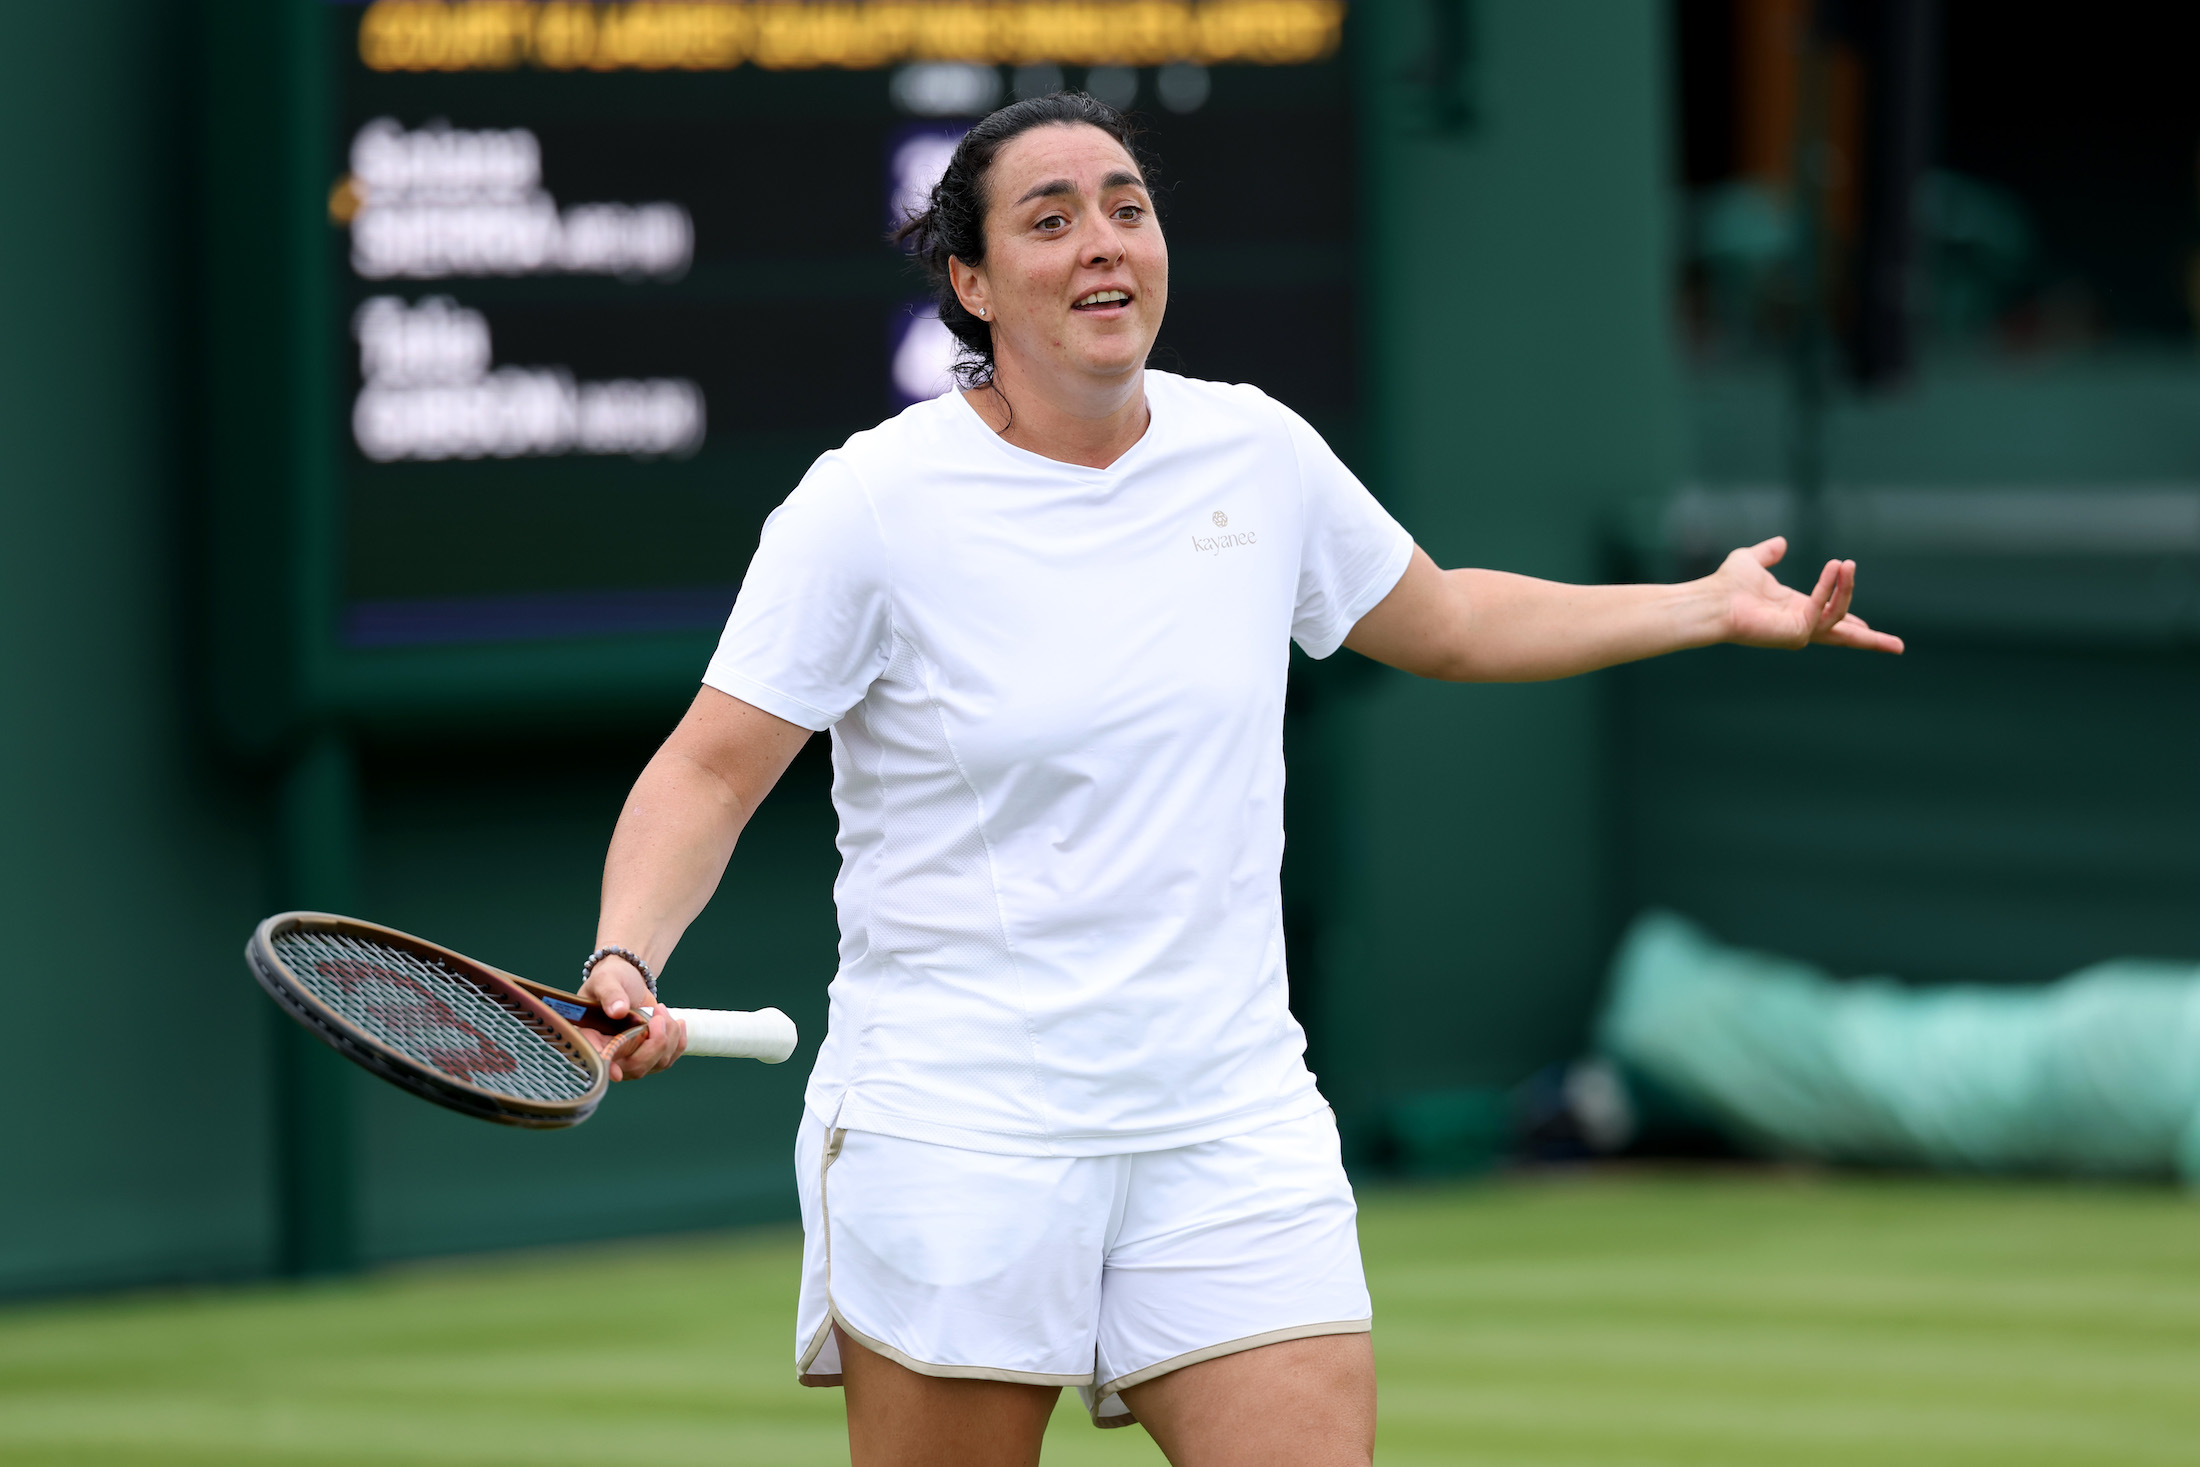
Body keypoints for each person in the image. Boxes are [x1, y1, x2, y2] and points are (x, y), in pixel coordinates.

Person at [575, 93, 1902, 1467]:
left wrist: (1702, 604)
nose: (1104, 243)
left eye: (1127, 208)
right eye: (1051, 218)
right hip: (962, 1129)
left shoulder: (1256, 453)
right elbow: (712, 774)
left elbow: (1445, 621)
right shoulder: (865, 506)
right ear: (969, 283)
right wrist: (626, 952)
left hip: (1227, 1118)